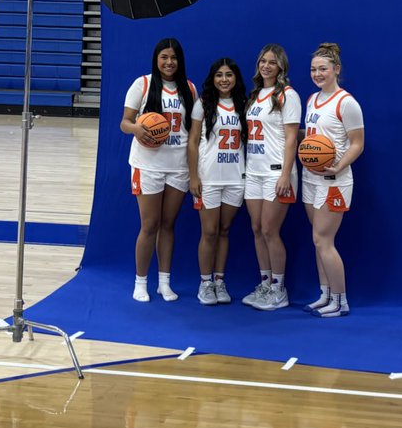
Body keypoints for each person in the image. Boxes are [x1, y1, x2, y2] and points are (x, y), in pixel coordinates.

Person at [120, 38, 196, 302]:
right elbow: (124, 123)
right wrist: (138, 129)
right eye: (164, 57)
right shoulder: (142, 84)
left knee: (168, 224)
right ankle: (140, 283)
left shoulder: (189, 88)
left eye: (173, 57)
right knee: (149, 225)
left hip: (178, 167)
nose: (169, 62)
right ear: (156, 58)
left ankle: (165, 282)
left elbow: (192, 131)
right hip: (148, 164)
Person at [302, 42, 365, 318]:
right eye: (314, 69)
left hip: (334, 181)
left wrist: (337, 165)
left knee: (323, 240)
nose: (318, 74)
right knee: (318, 241)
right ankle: (325, 294)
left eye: (323, 69)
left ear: (336, 69)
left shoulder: (346, 102)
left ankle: (341, 301)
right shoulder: (311, 100)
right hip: (310, 178)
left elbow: (357, 143)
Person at [242, 44, 302, 312]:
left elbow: (292, 139)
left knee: (270, 230)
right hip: (253, 171)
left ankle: (279, 289)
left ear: (281, 67)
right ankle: (265, 283)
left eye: (272, 62)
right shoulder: (255, 95)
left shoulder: (288, 95)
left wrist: (286, 174)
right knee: (257, 229)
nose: (266, 66)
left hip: (277, 172)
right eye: (262, 61)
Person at [187, 58, 248, 305]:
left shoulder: (244, 104)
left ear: (236, 78)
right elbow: (192, 142)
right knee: (209, 231)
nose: (224, 79)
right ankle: (205, 283)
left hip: (235, 177)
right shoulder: (203, 104)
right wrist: (193, 176)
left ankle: (220, 282)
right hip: (209, 178)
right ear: (213, 78)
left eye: (229, 75)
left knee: (224, 230)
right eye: (219, 75)